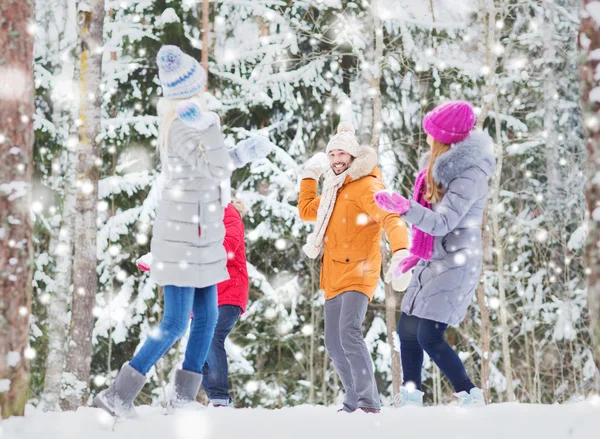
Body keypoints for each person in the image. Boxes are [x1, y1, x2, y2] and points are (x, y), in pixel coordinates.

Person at [95, 45, 234, 418]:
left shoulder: (191, 122)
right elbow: (216, 171)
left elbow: (210, 168)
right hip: (183, 237)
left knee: (207, 316)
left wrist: (240, 154)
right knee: (175, 321)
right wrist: (214, 130)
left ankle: (183, 396)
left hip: (200, 235)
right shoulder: (186, 125)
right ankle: (119, 394)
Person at [373, 100, 496, 408]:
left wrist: (404, 208)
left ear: (445, 137)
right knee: (408, 328)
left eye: (431, 132)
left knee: (429, 333)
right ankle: (411, 396)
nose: (427, 136)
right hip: (436, 257)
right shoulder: (441, 168)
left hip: (456, 261)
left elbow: (443, 222)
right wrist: (417, 247)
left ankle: (470, 394)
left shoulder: (469, 175)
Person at [298, 122, 410, 413]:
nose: (336, 159)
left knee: (348, 331)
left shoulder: (366, 185)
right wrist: (310, 175)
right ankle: (352, 400)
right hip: (333, 273)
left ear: (352, 157)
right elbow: (307, 210)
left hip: (360, 271)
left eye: (342, 154)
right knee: (333, 343)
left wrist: (400, 252)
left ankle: (368, 402)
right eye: (332, 154)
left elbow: (391, 218)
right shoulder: (335, 190)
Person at [201, 199, 248, 407]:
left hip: (229, 288)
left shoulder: (228, 213)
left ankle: (220, 397)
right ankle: (214, 398)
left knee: (211, 337)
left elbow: (228, 246)